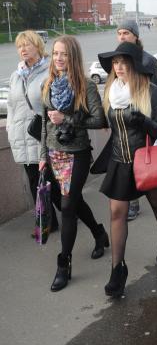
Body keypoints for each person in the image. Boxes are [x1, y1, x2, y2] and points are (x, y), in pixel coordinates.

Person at [97, 42, 157, 298]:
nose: (119, 67)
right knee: (117, 213)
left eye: (124, 62)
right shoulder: (110, 92)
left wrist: (145, 120)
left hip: (146, 159)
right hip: (119, 160)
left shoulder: (151, 91)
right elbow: (102, 122)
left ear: (134, 64)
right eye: (115, 63)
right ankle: (118, 270)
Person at [39, 35, 109, 292]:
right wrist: (41, 157)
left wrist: (67, 118)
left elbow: (100, 120)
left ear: (73, 57)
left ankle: (63, 265)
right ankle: (99, 232)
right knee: (72, 202)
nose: (58, 58)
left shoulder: (86, 86)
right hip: (53, 154)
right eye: (56, 53)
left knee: (68, 206)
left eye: (64, 54)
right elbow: (44, 123)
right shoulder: (47, 84)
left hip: (77, 153)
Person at [6, 30, 61, 235]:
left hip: (43, 134)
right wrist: (11, 128)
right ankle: (47, 222)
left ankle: (73, 212)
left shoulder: (49, 72)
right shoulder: (15, 75)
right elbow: (12, 106)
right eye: (20, 46)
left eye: (27, 45)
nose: (23, 49)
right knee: (34, 181)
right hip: (22, 136)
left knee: (50, 180)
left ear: (38, 46)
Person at [116, 20, 157, 221]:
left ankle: (148, 191)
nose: (122, 36)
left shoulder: (147, 60)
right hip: (124, 120)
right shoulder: (118, 60)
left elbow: (154, 90)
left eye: (126, 32)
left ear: (135, 36)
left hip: (143, 117)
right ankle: (133, 200)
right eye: (119, 33)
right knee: (129, 162)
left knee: (142, 159)